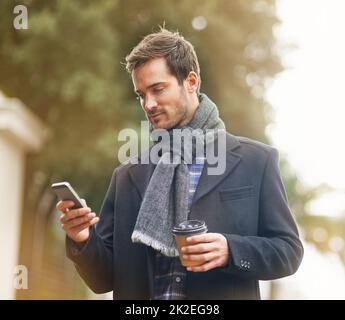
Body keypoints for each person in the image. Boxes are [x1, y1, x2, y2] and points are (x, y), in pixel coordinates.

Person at [56, 28, 303, 300]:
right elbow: (103, 279)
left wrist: (230, 250)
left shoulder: (256, 160)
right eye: (141, 95)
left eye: (158, 89)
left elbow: (288, 251)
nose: (148, 104)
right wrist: (82, 238)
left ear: (191, 81)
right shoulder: (127, 175)